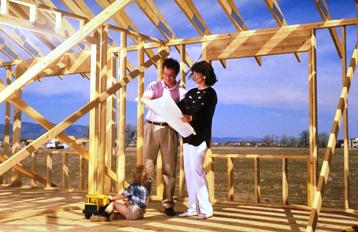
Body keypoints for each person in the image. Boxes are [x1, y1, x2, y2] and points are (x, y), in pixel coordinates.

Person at [142, 58, 186, 216]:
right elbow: (145, 98)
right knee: (147, 167)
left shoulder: (181, 92)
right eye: (165, 75)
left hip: (169, 130)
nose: (167, 79)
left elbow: (184, 112)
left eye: (171, 76)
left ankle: (168, 204)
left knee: (169, 168)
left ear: (176, 75)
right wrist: (157, 100)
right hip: (151, 127)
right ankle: (142, 202)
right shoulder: (154, 85)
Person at [177, 60, 217, 220]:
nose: (193, 75)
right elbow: (179, 106)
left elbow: (207, 115)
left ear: (205, 75)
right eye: (192, 73)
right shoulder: (191, 92)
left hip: (201, 137)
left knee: (196, 170)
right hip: (187, 136)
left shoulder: (210, 93)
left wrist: (191, 117)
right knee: (188, 171)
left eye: (196, 73)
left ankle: (206, 209)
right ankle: (193, 208)